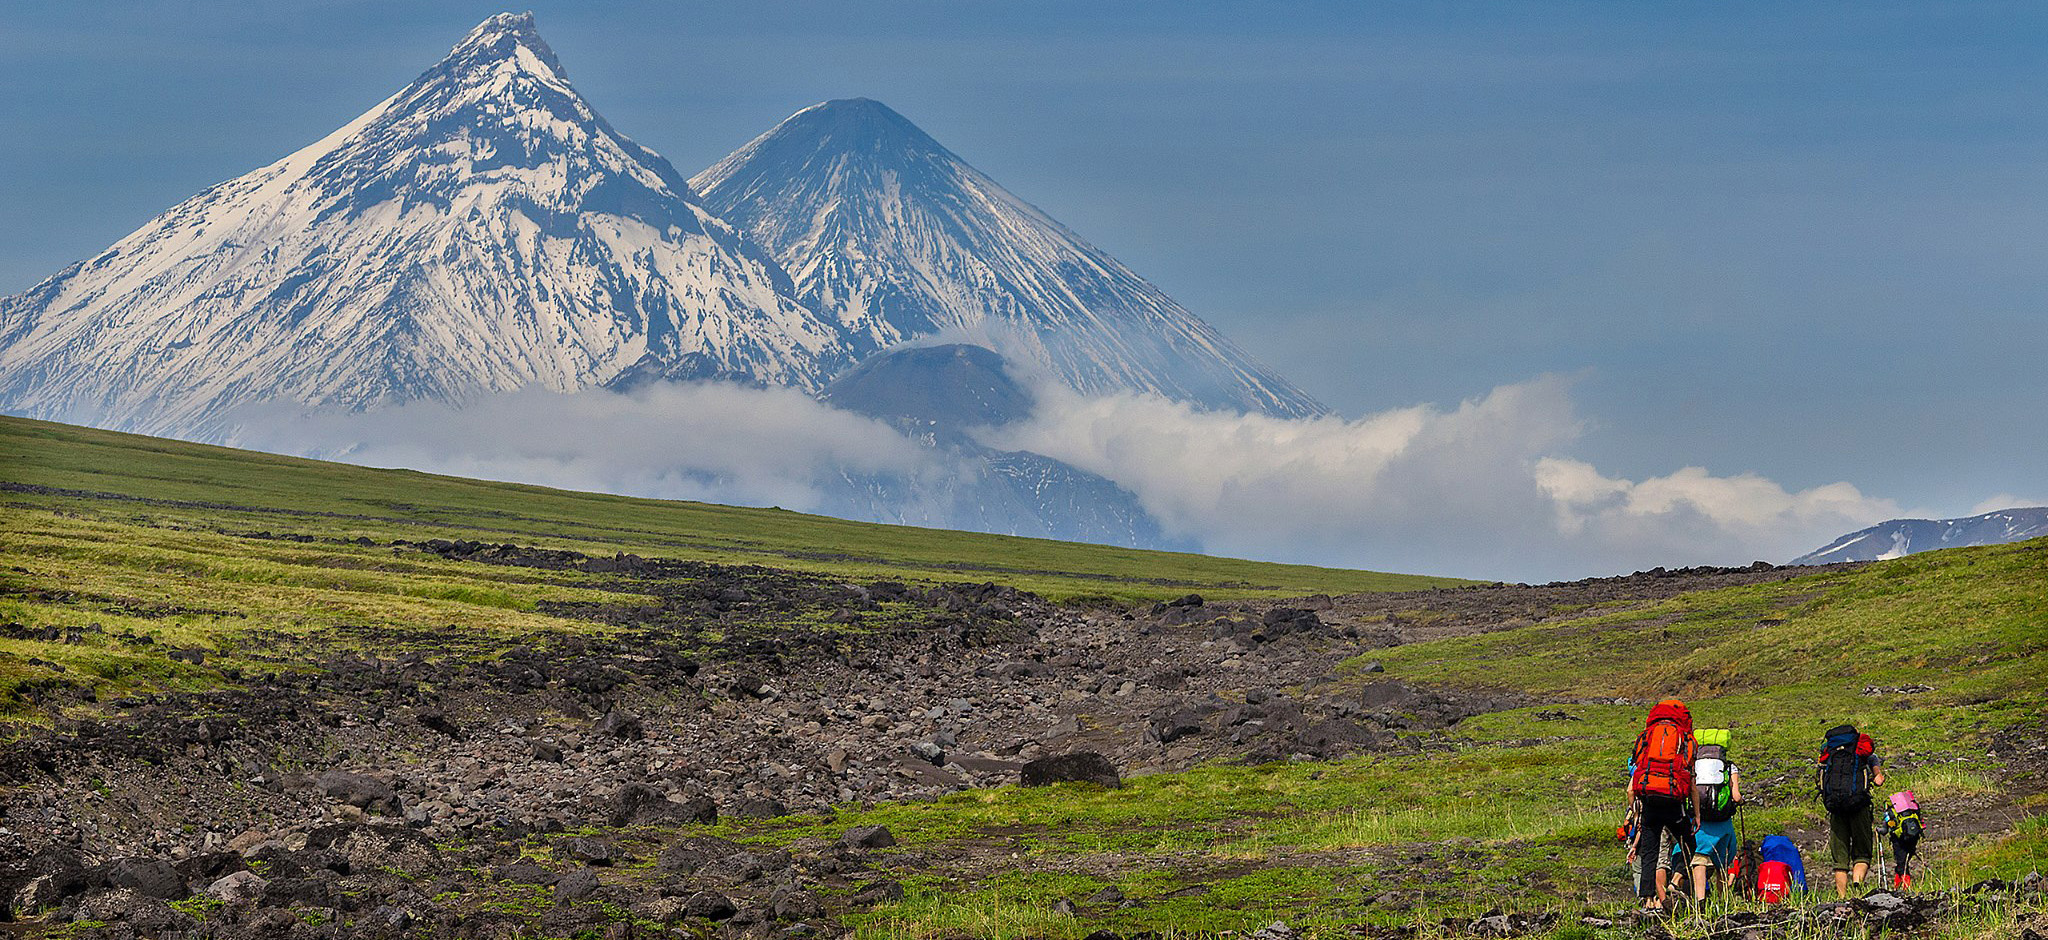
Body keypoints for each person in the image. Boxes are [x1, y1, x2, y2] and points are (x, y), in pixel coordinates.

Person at [1629, 699, 1696, 914]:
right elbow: (1692, 783)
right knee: (1689, 843)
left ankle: (1648, 900)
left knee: (1649, 851)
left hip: (1649, 801)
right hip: (1674, 802)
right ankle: (1676, 881)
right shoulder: (1685, 739)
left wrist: (1636, 810)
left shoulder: (1647, 737)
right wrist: (1697, 814)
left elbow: (1632, 785)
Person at [1817, 723, 1885, 897]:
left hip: (1835, 807)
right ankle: (1857, 886)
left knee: (1840, 858)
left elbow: (1821, 776)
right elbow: (1879, 781)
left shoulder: (1830, 752)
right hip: (1858, 805)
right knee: (1862, 853)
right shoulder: (1866, 753)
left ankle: (1841, 898)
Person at [1689, 728, 1742, 900]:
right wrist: (1740, 801)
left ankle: (1700, 899)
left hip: (1700, 821)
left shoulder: (1694, 764)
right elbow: (1736, 796)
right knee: (1723, 862)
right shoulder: (1729, 766)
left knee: (1699, 858)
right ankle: (1723, 899)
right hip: (1722, 822)